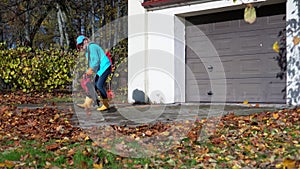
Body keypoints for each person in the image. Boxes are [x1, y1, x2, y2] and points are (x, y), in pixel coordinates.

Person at [76, 35, 111, 111]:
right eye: (79, 46)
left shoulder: (92, 47)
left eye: (81, 44)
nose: (81, 47)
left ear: (85, 41)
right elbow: (90, 64)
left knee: (99, 85)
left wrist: (90, 70)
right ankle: (87, 103)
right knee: (93, 85)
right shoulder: (87, 52)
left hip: (105, 67)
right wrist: (87, 73)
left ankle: (106, 104)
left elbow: (96, 61)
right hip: (101, 69)